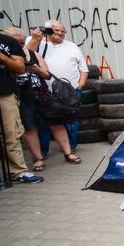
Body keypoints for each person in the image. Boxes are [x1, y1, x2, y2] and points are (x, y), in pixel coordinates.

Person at [0, 25, 43, 192]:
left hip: (3, 92)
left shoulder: (7, 41)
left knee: (11, 134)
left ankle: (18, 171)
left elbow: (19, 68)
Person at [25, 20, 87, 162]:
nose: (60, 33)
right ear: (47, 29)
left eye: (63, 31)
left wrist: (81, 84)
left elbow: (83, 68)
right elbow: (25, 56)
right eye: (56, 30)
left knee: (69, 121)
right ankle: (42, 152)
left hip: (67, 91)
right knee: (43, 124)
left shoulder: (71, 46)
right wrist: (36, 38)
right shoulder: (34, 41)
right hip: (42, 91)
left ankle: (70, 148)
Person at [2, 27, 51, 172]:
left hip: (40, 92)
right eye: (16, 42)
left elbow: (47, 74)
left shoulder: (31, 53)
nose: (20, 45)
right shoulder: (2, 56)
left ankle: (67, 151)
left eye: (22, 42)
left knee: (54, 122)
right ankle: (38, 158)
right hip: (20, 95)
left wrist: (36, 69)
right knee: (30, 127)